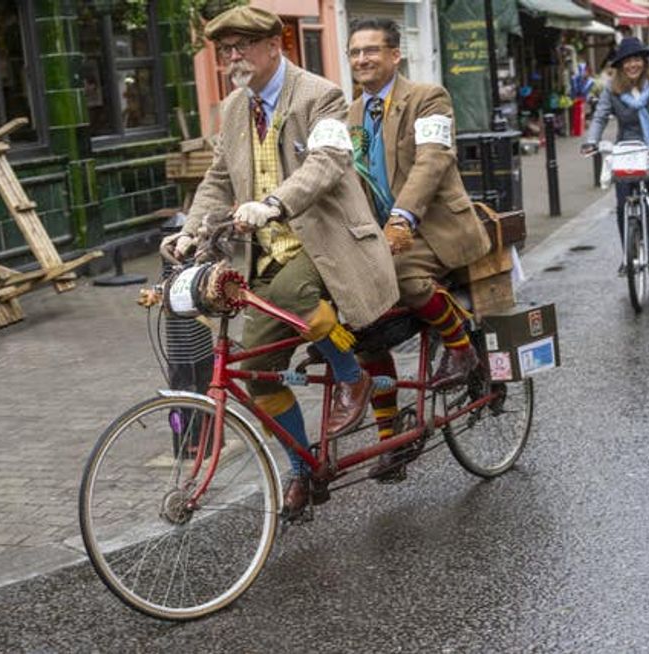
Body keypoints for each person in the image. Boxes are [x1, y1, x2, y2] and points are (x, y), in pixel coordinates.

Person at [159, 6, 399, 517]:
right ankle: (302, 469)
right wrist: (190, 231)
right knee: (257, 374)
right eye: (226, 50)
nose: (233, 57)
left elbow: (328, 162)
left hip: (329, 243)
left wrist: (273, 203)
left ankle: (351, 375)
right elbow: (217, 179)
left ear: (275, 45)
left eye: (243, 46)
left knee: (292, 294)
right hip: (268, 254)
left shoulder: (319, 95)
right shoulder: (233, 108)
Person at [345, 18, 492, 482]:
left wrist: (401, 218)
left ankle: (461, 346)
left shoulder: (428, 98)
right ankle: (391, 439)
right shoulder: (351, 115)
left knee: (404, 277)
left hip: (435, 228)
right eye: (354, 52)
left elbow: (432, 161)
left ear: (395, 55)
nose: (362, 59)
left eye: (371, 50)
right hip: (382, 237)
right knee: (356, 317)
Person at [583, 37, 649, 263]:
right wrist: (591, 141)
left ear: (644, 61)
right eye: (627, 61)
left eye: (637, 60)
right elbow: (600, 116)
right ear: (620, 65)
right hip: (627, 144)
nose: (632, 65)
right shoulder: (612, 87)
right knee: (622, 201)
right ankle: (627, 257)